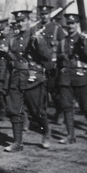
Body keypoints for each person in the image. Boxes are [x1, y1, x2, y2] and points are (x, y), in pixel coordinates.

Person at [4, 10, 52, 152]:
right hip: (16, 77)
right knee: (14, 110)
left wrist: (40, 41)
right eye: (18, 21)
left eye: (23, 20)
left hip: (32, 78)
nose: (20, 23)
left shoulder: (36, 36)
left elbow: (47, 56)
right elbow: (10, 59)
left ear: (28, 21)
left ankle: (46, 132)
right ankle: (17, 142)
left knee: (36, 112)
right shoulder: (14, 39)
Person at [56, 13, 87, 143]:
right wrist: (61, 57)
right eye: (68, 23)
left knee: (86, 107)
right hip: (65, 78)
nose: (70, 26)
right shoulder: (62, 42)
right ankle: (71, 135)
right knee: (67, 106)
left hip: (80, 77)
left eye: (73, 23)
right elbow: (57, 58)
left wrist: (84, 47)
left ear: (77, 25)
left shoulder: (85, 39)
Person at [32, 5, 66, 124]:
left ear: (50, 15)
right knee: (41, 93)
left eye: (46, 14)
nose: (44, 16)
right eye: (42, 14)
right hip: (40, 65)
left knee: (54, 92)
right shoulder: (36, 28)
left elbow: (63, 46)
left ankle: (60, 112)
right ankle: (41, 117)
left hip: (53, 66)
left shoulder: (57, 28)